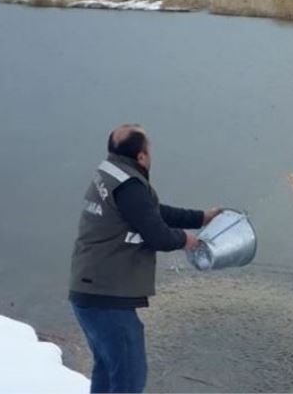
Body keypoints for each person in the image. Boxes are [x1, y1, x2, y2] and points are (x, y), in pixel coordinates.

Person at [68, 124, 222, 393]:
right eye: (149, 150)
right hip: (108, 299)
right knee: (129, 379)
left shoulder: (110, 174)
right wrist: (186, 240)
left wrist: (200, 217)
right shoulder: (129, 186)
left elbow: (150, 212)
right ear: (141, 157)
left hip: (87, 293)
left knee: (106, 370)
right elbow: (158, 235)